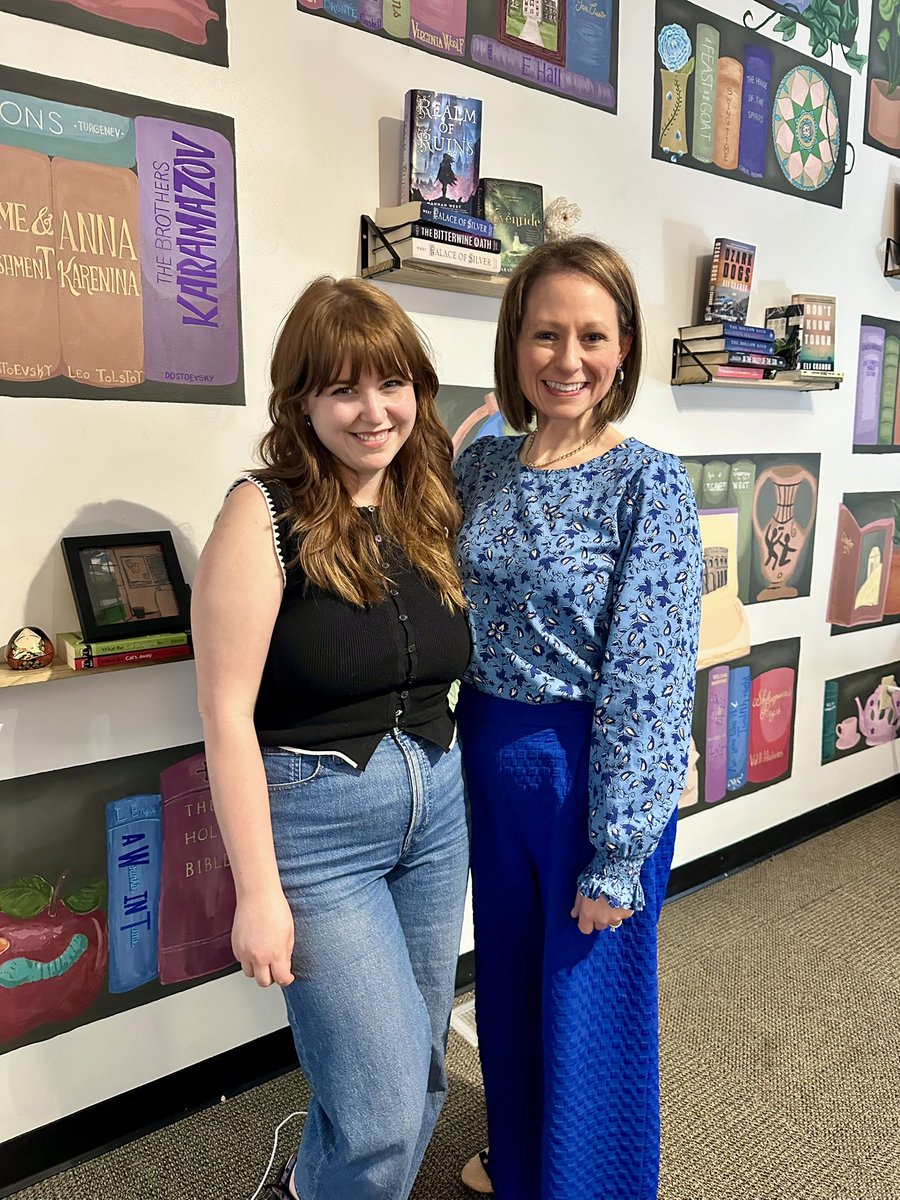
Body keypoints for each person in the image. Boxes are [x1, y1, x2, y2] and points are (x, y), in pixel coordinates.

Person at [191, 276, 472, 1200]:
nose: (373, 410)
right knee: (384, 1105)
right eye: (344, 388)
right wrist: (258, 894)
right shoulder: (260, 514)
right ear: (300, 399)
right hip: (317, 828)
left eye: (392, 384)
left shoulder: (423, 508)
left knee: (418, 1069)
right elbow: (226, 714)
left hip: (437, 809)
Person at [454, 237, 703, 1200]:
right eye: (546, 333)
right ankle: (519, 1164)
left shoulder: (650, 481)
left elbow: (651, 672)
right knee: (512, 990)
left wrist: (617, 849)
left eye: (592, 336)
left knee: (590, 1002)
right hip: (489, 756)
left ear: (626, 348)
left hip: (588, 772)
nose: (568, 358)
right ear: (515, 345)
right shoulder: (481, 468)